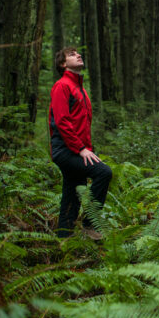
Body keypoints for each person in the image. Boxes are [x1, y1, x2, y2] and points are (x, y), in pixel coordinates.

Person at [48, 47, 112, 239]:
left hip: (77, 150)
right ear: (63, 64)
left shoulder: (80, 89)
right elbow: (62, 121)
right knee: (103, 172)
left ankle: (64, 240)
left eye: (78, 53)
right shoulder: (62, 86)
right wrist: (81, 149)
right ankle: (90, 225)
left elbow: (82, 125)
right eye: (71, 54)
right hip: (65, 150)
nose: (78, 55)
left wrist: (87, 148)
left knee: (72, 192)